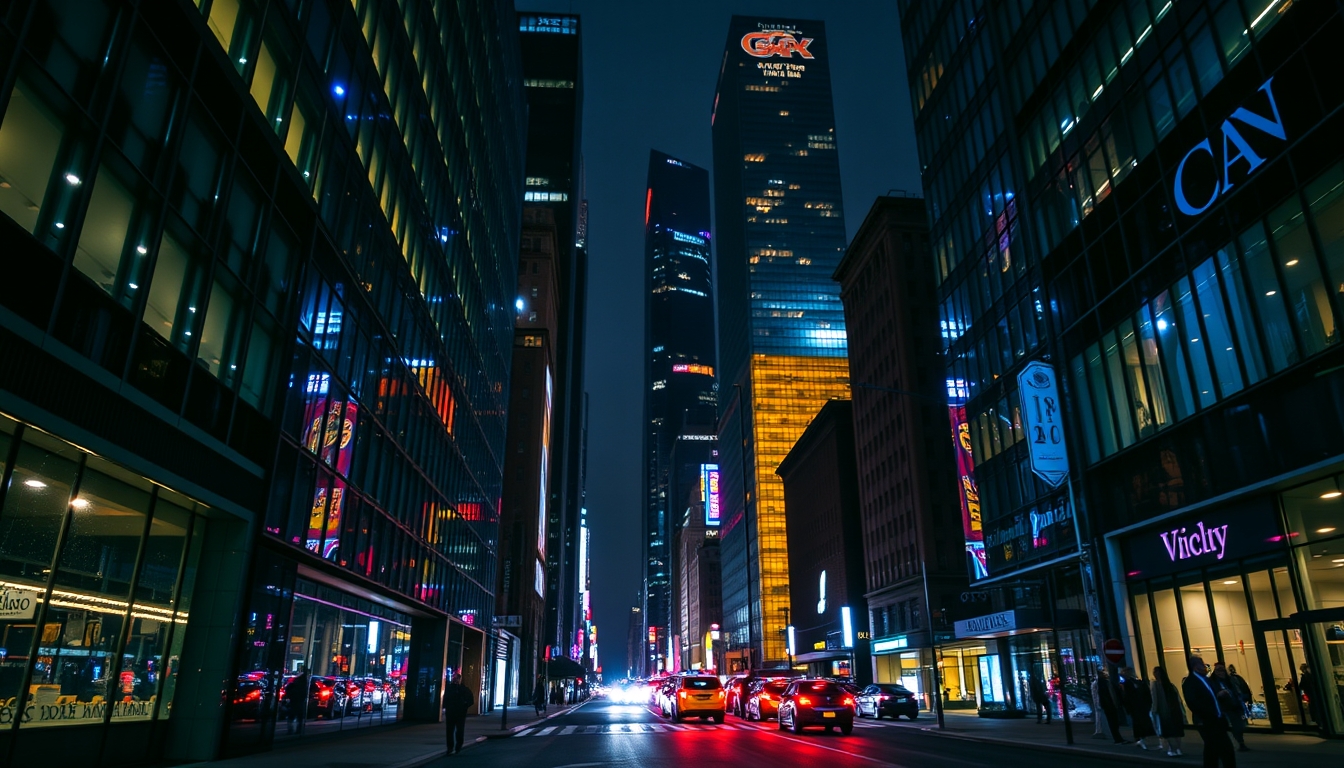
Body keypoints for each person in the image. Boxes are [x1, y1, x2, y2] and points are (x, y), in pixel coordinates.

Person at [1182, 654, 1236, 768]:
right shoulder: (1190, 682)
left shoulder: (1208, 680)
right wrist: (1208, 713)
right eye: (1202, 664)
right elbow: (1193, 703)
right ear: (1196, 666)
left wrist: (1220, 695)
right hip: (1207, 720)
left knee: (1213, 749)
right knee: (1221, 747)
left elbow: (1214, 694)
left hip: (1217, 718)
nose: (1205, 666)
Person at [1211, 662, 1250, 752]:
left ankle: (1239, 742)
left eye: (1222, 670)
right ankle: (1238, 743)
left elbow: (1240, 690)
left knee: (1239, 725)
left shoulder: (1231, 680)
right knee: (1233, 726)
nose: (1220, 672)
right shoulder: (1213, 682)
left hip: (1235, 706)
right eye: (1218, 670)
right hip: (1224, 708)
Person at [1151, 666, 1186, 757]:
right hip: (1176, 710)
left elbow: (1155, 699)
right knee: (1177, 731)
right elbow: (1178, 699)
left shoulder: (1155, 685)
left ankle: (1172, 749)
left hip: (1164, 711)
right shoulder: (1171, 685)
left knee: (1168, 732)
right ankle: (1178, 749)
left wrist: (1153, 711)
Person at [1120, 667, 1157, 749]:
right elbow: (1126, 696)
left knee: (1140, 721)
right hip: (1136, 706)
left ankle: (1141, 737)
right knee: (1138, 722)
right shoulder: (1128, 683)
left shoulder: (1133, 682)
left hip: (1138, 705)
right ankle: (1140, 737)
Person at [443, 671, 474, 756]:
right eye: (454, 678)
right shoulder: (450, 689)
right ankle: (451, 747)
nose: (455, 680)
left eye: (456, 679)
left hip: (458, 713)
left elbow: (470, 700)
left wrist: (464, 706)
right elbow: (445, 700)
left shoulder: (463, 689)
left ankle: (457, 746)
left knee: (458, 731)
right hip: (452, 713)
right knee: (451, 731)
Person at [1096, 667, 1129, 744]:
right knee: (1113, 722)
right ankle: (1117, 738)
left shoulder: (1105, 683)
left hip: (1110, 705)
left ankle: (1118, 738)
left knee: (1114, 722)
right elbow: (1106, 695)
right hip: (1110, 705)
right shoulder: (1103, 683)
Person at [1295, 663, 1323, 730]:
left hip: (1311, 694)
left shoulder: (1306, 676)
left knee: (1313, 707)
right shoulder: (1311, 675)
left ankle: (1316, 720)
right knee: (1315, 706)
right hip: (1313, 694)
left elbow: (1301, 686)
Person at [283, 667, 309, 734]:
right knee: (298, 717)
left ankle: (291, 730)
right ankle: (298, 730)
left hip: (294, 702)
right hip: (299, 703)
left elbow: (288, 690)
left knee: (292, 717)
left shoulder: (295, 684)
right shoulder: (303, 685)